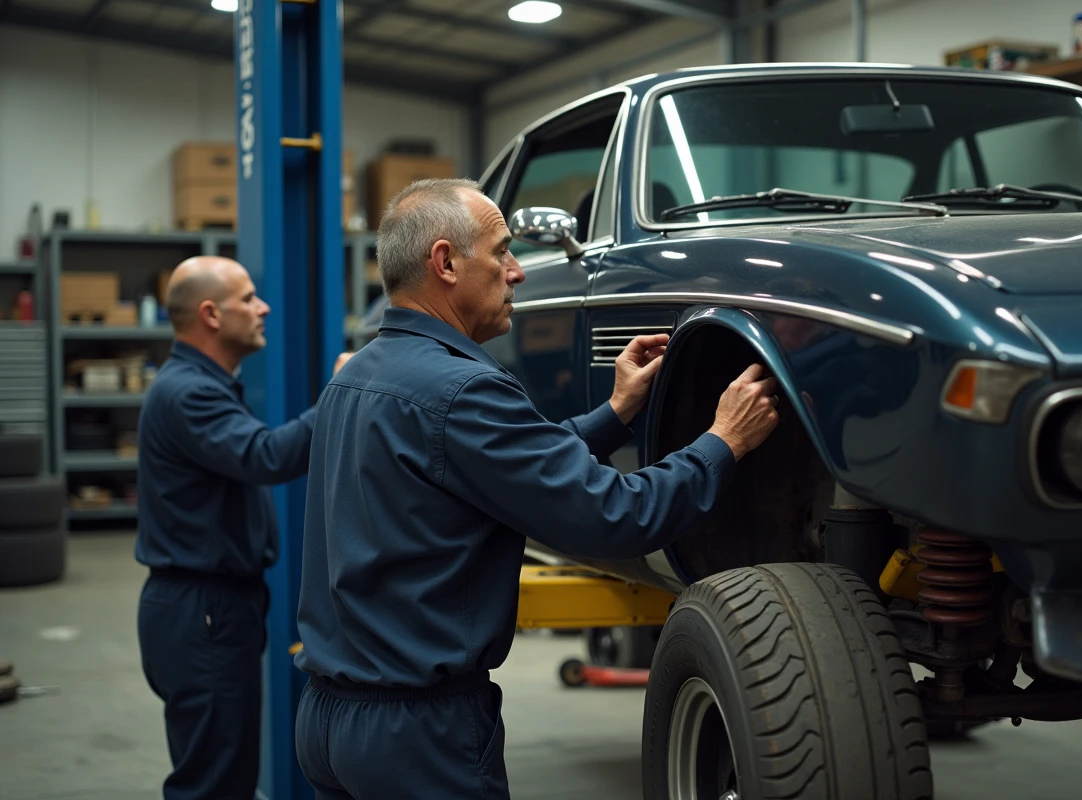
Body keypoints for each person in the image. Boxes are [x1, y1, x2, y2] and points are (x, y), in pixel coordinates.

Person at [293, 179, 779, 799]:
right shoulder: (464, 389)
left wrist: (616, 410)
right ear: (445, 263)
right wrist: (723, 441)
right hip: (417, 735)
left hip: (330, 722)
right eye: (501, 252)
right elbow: (616, 516)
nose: (517, 272)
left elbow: (498, 465)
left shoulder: (356, 376)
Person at [135, 256, 351, 800]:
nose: (264, 307)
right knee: (212, 783)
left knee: (224, 771)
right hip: (201, 612)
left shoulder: (202, 384)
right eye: (249, 298)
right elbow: (266, 456)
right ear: (210, 314)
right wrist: (340, 392)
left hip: (210, 608)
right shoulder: (188, 392)